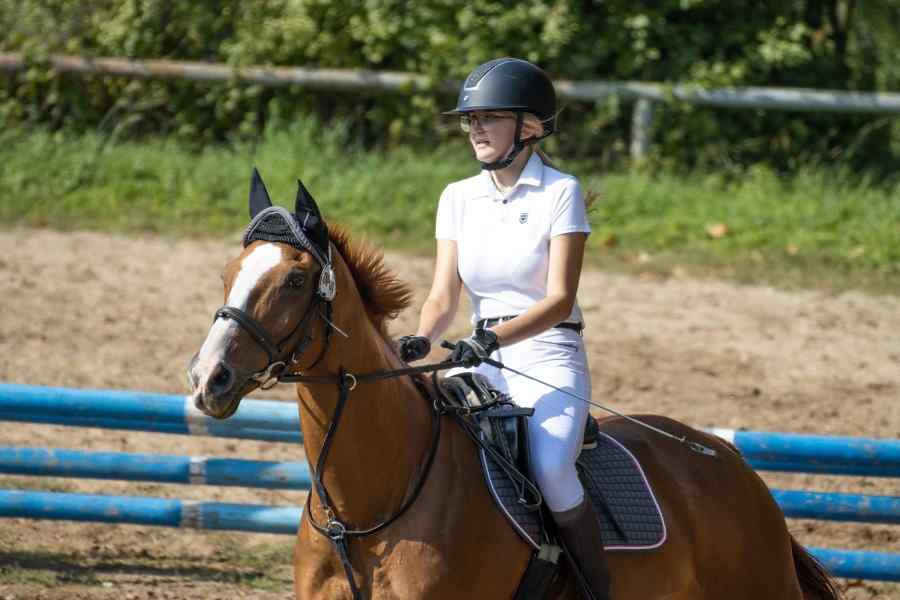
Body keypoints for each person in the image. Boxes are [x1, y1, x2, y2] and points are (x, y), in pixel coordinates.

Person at [398, 58, 612, 600]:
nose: (475, 129)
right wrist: (423, 336)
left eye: (489, 118)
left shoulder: (560, 191)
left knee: (551, 468)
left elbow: (560, 297)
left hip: (547, 352)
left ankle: (592, 588)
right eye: (470, 119)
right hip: (478, 356)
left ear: (531, 126)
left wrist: (493, 337)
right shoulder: (456, 196)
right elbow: (445, 294)